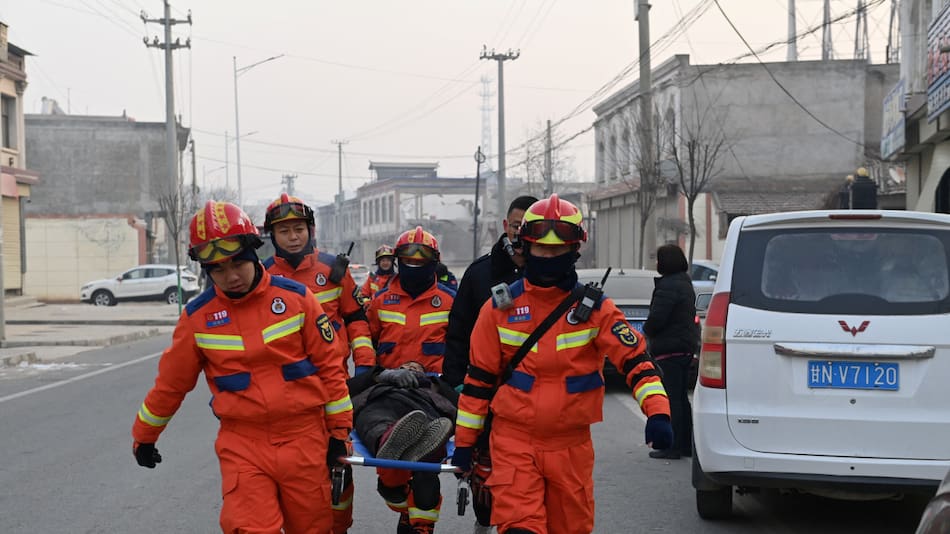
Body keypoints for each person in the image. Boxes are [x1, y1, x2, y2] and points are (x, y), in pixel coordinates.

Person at [451, 194, 673, 534]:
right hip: (514, 442)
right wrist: (465, 443)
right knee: (520, 528)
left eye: (558, 251)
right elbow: (478, 383)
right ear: (526, 247)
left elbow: (637, 363)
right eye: (542, 249)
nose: (549, 257)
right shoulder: (499, 310)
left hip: (570, 448)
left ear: (574, 251)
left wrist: (657, 411)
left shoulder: (597, 311)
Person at [130, 200, 353, 534]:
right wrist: (144, 437)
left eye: (237, 264)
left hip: (304, 439)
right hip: (243, 445)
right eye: (218, 269)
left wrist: (339, 434)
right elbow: (171, 386)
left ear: (252, 253)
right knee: (248, 528)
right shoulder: (197, 319)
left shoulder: (298, 300)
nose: (231, 276)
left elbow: (330, 369)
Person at [262, 193, 373, 533]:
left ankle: (338, 527)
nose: (293, 236)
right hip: (284, 391)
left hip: (332, 385)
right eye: (284, 231)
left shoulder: (334, 270)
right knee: (294, 470)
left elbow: (356, 319)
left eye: (299, 228)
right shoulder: (261, 276)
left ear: (310, 230)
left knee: (338, 460)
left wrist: (365, 363)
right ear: (273, 237)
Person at [442, 194, 537, 533]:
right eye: (516, 227)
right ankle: (485, 521)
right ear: (505, 227)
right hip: (484, 392)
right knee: (484, 474)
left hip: (531, 402)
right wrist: (455, 383)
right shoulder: (481, 273)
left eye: (531, 228)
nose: (522, 235)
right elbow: (457, 332)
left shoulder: (551, 277)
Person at [365, 226, 457, 534]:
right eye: (408, 259)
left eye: (423, 259)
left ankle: (419, 527)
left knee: (427, 457)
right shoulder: (380, 302)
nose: (415, 265)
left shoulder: (450, 302)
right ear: (397, 261)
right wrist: (378, 373)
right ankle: (397, 488)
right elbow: (365, 345)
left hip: (431, 390)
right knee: (372, 421)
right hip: (387, 386)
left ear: (435, 261)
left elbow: (464, 351)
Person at [643, 244, 700, 461]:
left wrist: (647, 331)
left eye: (659, 259)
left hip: (670, 348)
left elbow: (658, 317)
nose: (656, 264)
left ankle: (673, 445)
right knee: (681, 399)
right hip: (684, 347)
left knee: (672, 399)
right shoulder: (684, 282)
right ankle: (686, 444)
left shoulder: (668, 285)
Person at [347, 361, 458, 462]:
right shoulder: (378, 378)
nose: (410, 368)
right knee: (373, 419)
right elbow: (348, 388)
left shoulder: (433, 384)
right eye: (405, 366)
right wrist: (380, 376)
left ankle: (422, 445)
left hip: (422, 406)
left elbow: (459, 404)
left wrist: (434, 384)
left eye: (416, 368)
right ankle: (388, 441)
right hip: (381, 401)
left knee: (431, 422)